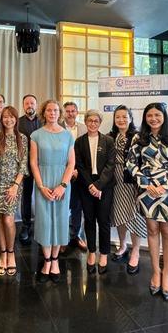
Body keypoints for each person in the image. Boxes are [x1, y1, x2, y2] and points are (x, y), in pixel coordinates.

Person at [126, 102, 168, 301]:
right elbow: (131, 163)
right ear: (145, 118)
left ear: (164, 116)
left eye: (157, 115)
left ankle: (167, 274)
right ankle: (156, 271)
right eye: (150, 116)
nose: (153, 119)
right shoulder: (139, 138)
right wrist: (146, 183)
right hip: (147, 191)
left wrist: (166, 187)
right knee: (152, 231)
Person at [29, 99, 76, 283]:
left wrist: (63, 185)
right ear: (44, 113)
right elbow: (33, 163)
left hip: (62, 184)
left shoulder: (68, 135)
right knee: (45, 222)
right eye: (49, 110)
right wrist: (41, 186)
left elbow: (71, 163)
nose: (52, 113)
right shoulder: (36, 135)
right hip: (43, 183)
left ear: (60, 113)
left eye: (56, 110)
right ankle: (46, 261)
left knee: (60, 221)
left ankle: (55, 260)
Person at [74, 109, 116, 274]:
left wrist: (98, 185)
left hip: (104, 186)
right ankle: (92, 252)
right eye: (90, 120)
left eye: (96, 121)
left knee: (103, 221)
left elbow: (110, 165)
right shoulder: (79, 142)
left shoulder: (108, 141)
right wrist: (91, 186)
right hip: (86, 186)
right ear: (85, 122)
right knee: (89, 220)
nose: (93, 123)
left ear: (100, 123)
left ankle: (104, 253)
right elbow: (79, 165)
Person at [0, 106, 29, 277]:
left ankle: (11, 252)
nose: (8, 120)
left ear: (16, 119)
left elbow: (23, 165)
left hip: (13, 185)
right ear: (1, 119)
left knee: (8, 219)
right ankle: (3, 252)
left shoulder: (22, 138)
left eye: (12, 117)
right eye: (5, 117)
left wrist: (15, 185)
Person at [108, 105, 146, 274]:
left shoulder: (138, 137)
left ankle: (135, 250)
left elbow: (143, 160)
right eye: (118, 117)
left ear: (130, 118)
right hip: (115, 181)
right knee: (119, 213)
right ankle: (123, 245)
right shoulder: (110, 136)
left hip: (132, 181)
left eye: (125, 116)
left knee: (134, 215)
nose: (121, 120)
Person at [61, 101, 88, 252]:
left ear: (77, 112)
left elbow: (86, 152)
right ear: (64, 113)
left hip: (80, 173)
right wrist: (69, 169)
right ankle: (63, 238)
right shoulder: (58, 127)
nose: (70, 113)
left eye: (73, 111)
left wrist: (77, 169)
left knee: (77, 206)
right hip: (62, 172)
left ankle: (76, 235)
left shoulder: (84, 128)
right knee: (63, 207)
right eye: (68, 111)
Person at [17, 94, 40, 245]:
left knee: (42, 195)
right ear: (23, 106)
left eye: (32, 103)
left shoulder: (44, 121)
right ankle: (26, 225)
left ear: (36, 105)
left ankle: (41, 224)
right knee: (26, 196)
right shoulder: (18, 122)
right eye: (27, 103)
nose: (30, 105)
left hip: (42, 165)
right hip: (25, 165)